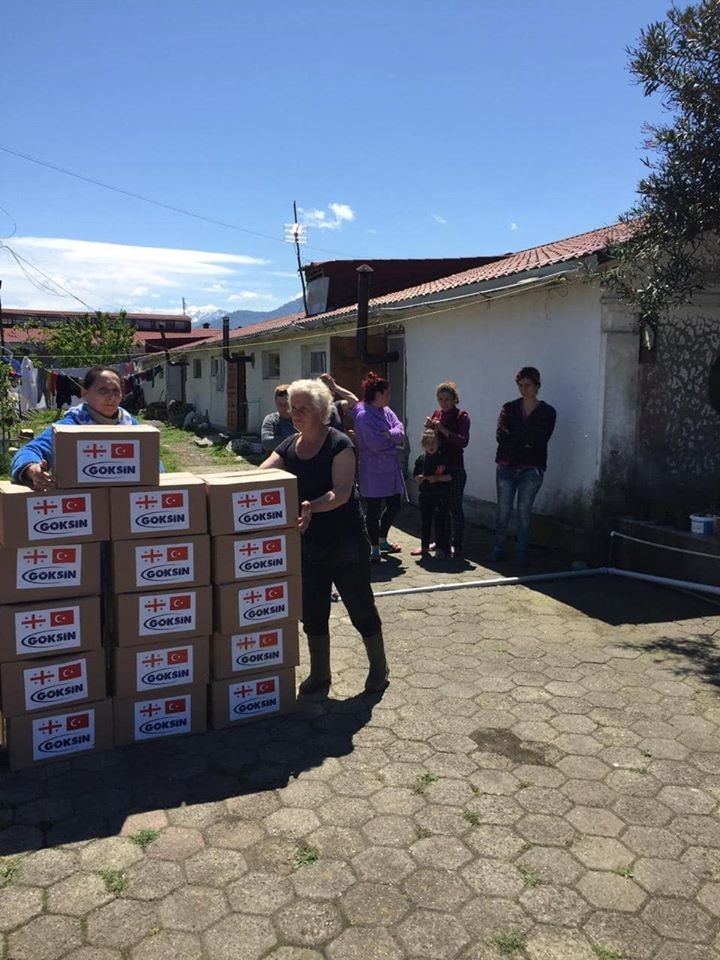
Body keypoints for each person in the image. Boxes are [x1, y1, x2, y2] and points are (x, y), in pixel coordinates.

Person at [260, 378, 388, 696]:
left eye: (303, 408)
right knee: (312, 612)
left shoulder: (339, 444)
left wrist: (310, 506)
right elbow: (261, 475)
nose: (295, 413)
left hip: (346, 542)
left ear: (320, 410)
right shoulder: (288, 446)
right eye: (293, 408)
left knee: (360, 607)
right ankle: (320, 674)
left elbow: (341, 492)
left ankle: (379, 667)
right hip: (308, 544)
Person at [12, 366, 139, 491]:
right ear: (84, 393)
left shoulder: (131, 426)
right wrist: (32, 470)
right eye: (103, 390)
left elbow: (148, 461)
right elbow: (30, 451)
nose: (111, 397)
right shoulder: (69, 427)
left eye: (116, 391)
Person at [488, 366, 556, 567]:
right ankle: (498, 547)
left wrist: (517, 436)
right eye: (520, 385)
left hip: (531, 467)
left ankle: (521, 551)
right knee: (503, 510)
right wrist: (525, 439)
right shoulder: (509, 408)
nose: (524, 389)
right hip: (507, 465)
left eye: (528, 385)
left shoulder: (547, 412)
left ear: (537, 386)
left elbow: (541, 438)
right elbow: (501, 435)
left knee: (524, 511)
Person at [346, 372, 405, 562]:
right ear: (377, 395)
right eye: (387, 394)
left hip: (390, 467)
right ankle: (374, 547)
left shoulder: (386, 411)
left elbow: (400, 430)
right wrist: (390, 437)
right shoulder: (363, 416)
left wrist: (389, 434)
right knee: (373, 509)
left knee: (395, 505)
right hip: (372, 469)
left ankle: (382, 537)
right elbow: (375, 444)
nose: (389, 397)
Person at [419, 381, 470, 558]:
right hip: (437, 466)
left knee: (455, 507)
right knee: (439, 508)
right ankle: (442, 541)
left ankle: (457, 543)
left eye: (447, 399)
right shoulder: (437, 414)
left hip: (454, 466)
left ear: (454, 399)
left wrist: (442, 428)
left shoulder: (462, 416)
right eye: (440, 399)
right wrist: (429, 428)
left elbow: (463, 441)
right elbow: (431, 439)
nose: (443, 403)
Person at [413, 429, 452, 559]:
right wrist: (419, 478)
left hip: (440, 495)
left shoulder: (442, 458)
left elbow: (450, 477)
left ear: (438, 443)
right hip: (425, 494)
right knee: (425, 521)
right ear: (423, 444)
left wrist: (437, 478)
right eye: (428, 443)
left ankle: (441, 548)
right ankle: (424, 546)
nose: (431, 446)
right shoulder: (421, 459)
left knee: (440, 522)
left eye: (433, 442)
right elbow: (415, 475)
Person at [261, 384, 297, 452]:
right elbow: (267, 442)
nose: (283, 408)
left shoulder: (301, 419)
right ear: (275, 403)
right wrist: (296, 439)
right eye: (280, 404)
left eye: (286, 404)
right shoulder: (271, 419)